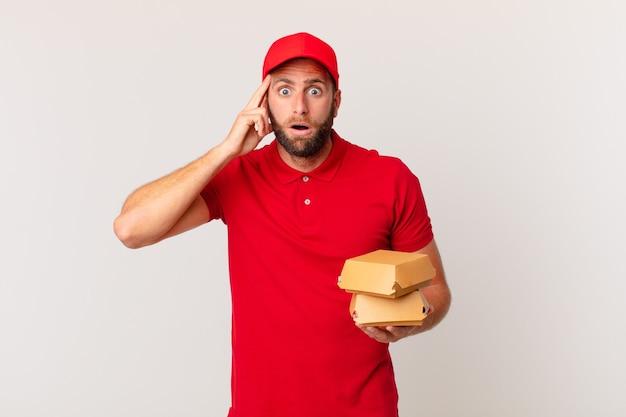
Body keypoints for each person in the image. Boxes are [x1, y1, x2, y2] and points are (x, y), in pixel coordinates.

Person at [114, 32, 451, 417]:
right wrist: (226, 150)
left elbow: (437, 290)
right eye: (285, 91)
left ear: (336, 102)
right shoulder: (238, 175)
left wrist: (412, 320)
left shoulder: (389, 178)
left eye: (315, 90)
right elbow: (131, 228)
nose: (300, 108)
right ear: (264, 103)